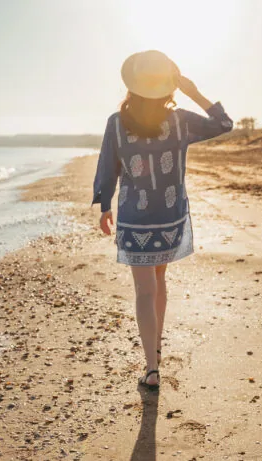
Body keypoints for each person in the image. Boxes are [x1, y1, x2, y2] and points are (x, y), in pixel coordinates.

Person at [92, 50, 233, 390]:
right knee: (159, 282)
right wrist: (194, 92)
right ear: (167, 86)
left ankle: (151, 367)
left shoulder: (116, 121)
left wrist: (104, 205)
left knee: (144, 290)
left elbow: (107, 163)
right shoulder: (181, 120)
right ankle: (155, 349)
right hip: (169, 216)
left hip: (134, 218)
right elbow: (224, 124)